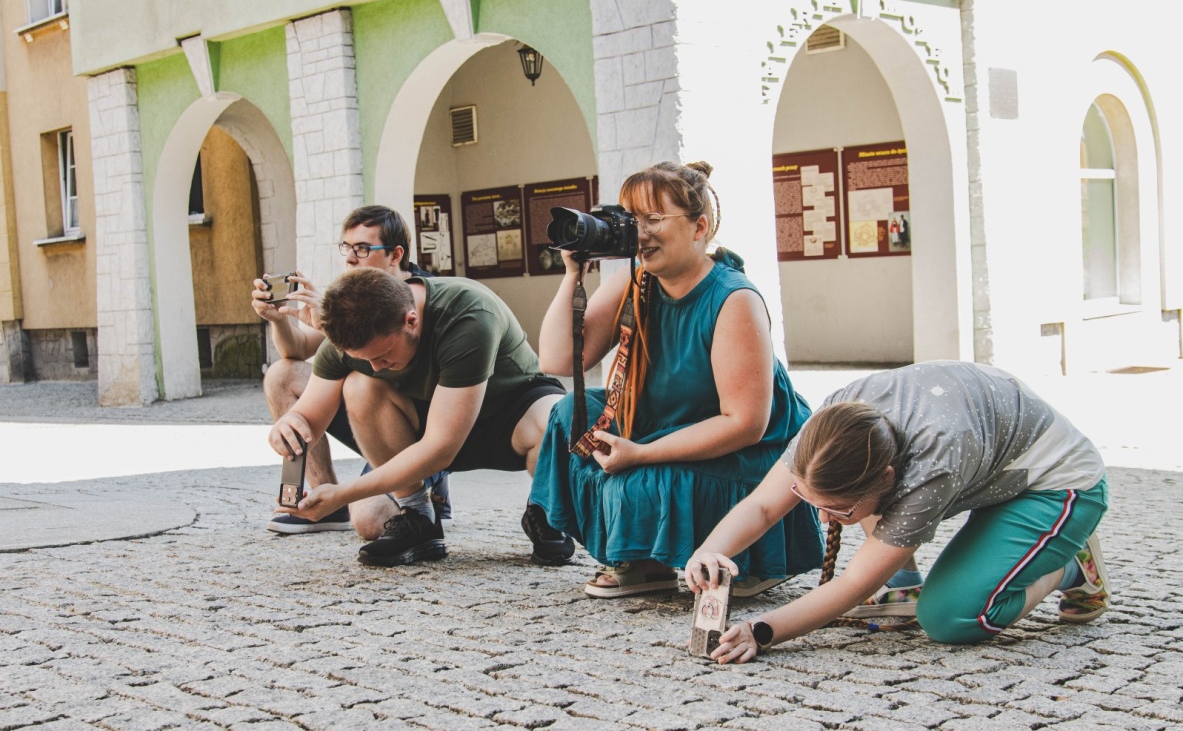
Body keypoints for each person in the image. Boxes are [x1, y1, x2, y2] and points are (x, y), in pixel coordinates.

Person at [526, 160, 824, 598]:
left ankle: (755, 558)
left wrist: (641, 452)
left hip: (747, 453)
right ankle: (642, 560)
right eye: (632, 220)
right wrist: (573, 272)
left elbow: (745, 424)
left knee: (641, 477)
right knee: (568, 413)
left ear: (699, 226)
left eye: (654, 219)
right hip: (668, 423)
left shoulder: (732, 297)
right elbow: (555, 358)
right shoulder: (636, 282)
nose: (640, 234)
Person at [685, 361, 1110, 663]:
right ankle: (901, 585)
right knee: (836, 494)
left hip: (1056, 486)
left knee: (950, 619)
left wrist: (764, 630)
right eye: (810, 499)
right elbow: (762, 505)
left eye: (836, 510)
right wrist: (709, 550)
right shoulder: (831, 430)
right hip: (989, 463)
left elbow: (853, 583)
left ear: (889, 479)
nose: (825, 520)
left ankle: (1068, 566)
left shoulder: (931, 466)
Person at [268, 267, 568, 567]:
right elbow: (309, 417)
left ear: (410, 321)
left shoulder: (468, 313)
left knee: (557, 417)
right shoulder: (350, 341)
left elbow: (440, 449)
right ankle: (418, 517)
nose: (377, 366)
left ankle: (545, 508)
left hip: (509, 413)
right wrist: (289, 427)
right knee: (360, 385)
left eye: (383, 355)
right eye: (365, 359)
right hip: (431, 419)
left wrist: (343, 494)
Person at [252, 205, 453, 534]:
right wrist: (278, 320)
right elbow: (297, 349)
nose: (349, 258)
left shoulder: (427, 297)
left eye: (362, 249)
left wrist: (332, 329)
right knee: (281, 374)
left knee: (374, 520)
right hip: (367, 415)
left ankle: (431, 488)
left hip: (418, 427)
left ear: (395, 254)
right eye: (347, 248)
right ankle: (327, 501)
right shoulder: (352, 295)